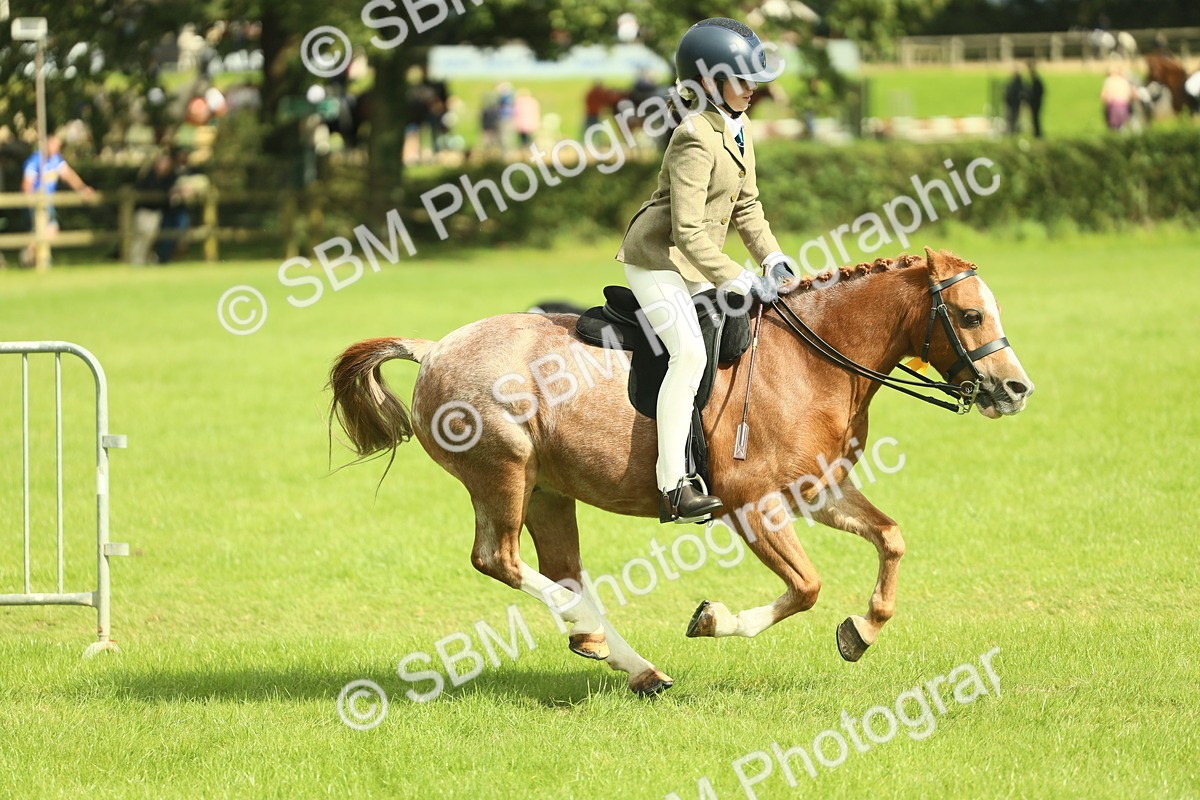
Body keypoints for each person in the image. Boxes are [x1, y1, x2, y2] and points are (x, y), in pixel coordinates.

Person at [615, 17, 795, 523]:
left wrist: (772, 257)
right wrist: (737, 277)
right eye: (741, 79)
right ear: (707, 83)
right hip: (658, 260)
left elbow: (748, 205)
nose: (752, 89)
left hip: (698, 261)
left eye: (754, 79)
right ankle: (674, 486)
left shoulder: (740, 130)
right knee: (690, 354)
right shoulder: (693, 136)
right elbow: (688, 230)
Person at [20, 134, 94, 266]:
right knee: (47, 229)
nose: (57, 147)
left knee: (49, 230)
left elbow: (69, 175)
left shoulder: (56, 160)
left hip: (49, 202)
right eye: (54, 144)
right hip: (37, 202)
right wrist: (30, 202)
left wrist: (82, 189)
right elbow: (27, 184)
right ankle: (39, 259)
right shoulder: (35, 161)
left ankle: (30, 255)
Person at [129, 153, 178, 265]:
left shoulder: (169, 177)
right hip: (144, 210)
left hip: (156, 212)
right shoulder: (148, 175)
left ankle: (143, 259)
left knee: (150, 237)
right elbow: (144, 189)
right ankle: (135, 261)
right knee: (140, 236)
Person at [1100, 66, 1135, 131]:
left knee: (1113, 128)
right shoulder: (1125, 81)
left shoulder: (1108, 81)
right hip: (1124, 106)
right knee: (1123, 126)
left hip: (1113, 106)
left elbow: (1103, 95)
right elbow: (1133, 95)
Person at [1025, 60, 1044, 138]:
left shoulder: (1036, 82)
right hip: (1035, 103)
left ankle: (1037, 134)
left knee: (1035, 119)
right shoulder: (1036, 82)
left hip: (1035, 104)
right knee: (1035, 119)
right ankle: (1036, 133)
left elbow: (1036, 93)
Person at [1003, 68, 1024, 135]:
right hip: (1014, 105)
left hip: (1013, 105)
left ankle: (1011, 133)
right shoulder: (1018, 84)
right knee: (1013, 120)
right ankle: (1012, 133)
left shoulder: (1014, 84)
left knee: (1011, 120)